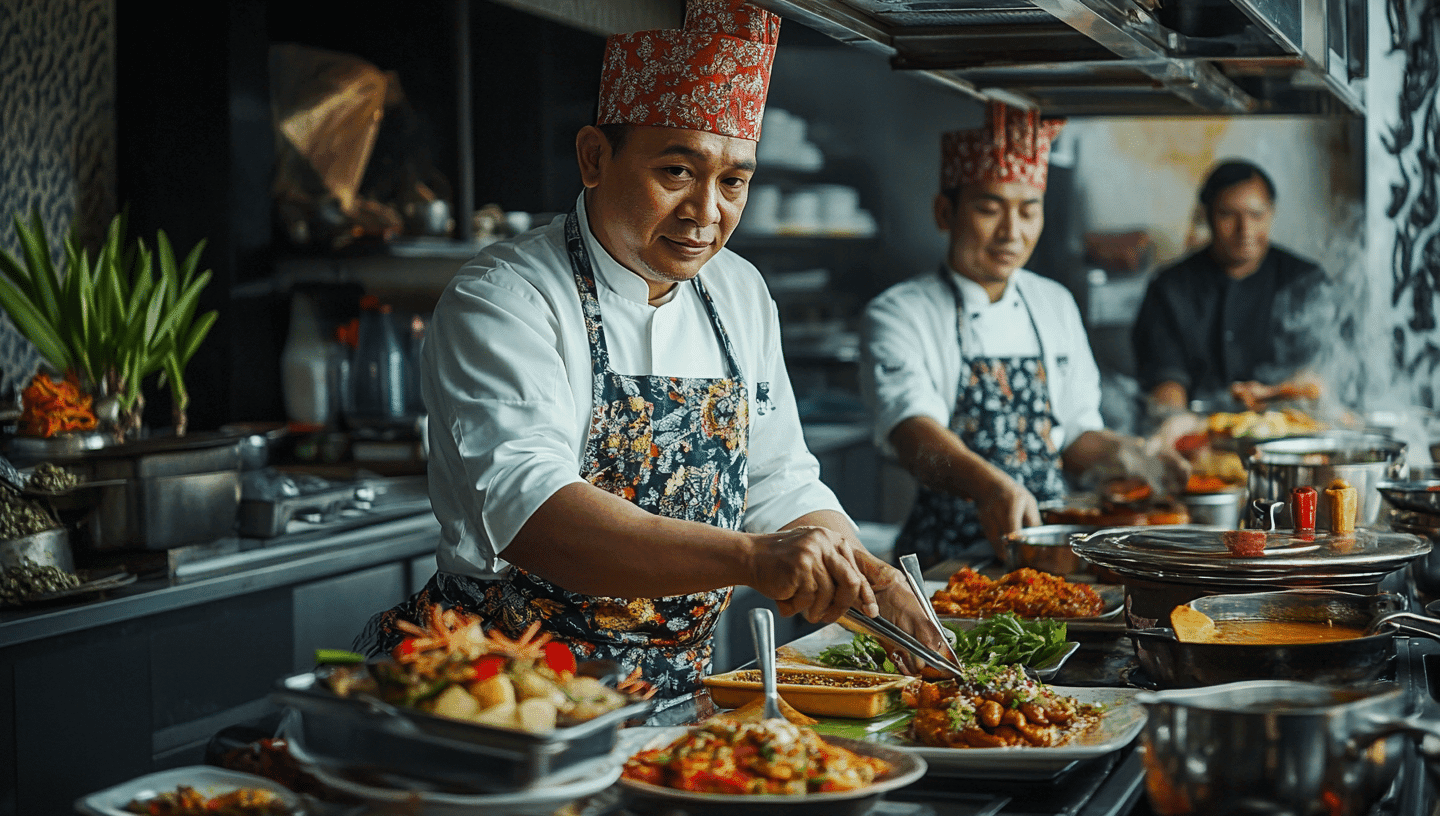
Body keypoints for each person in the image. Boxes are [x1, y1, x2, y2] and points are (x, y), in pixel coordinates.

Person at [360, 0, 945, 700]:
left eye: (733, 182)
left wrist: (870, 577)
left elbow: (778, 479)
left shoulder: (739, 291)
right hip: (507, 690)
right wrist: (752, 557)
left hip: (676, 690)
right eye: (676, 172)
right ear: (594, 158)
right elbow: (536, 515)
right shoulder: (506, 298)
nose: (706, 213)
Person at [860, 104, 1183, 567]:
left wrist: (1132, 453)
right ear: (945, 212)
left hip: (1049, 546)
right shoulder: (899, 313)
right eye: (989, 209)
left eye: (1029, 211)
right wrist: (990, 487)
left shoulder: (1054, 303)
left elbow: (1072, 436)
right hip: (948, 558)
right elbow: (915, 438)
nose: (1011, 232)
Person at [1132, 160, 1331, 416]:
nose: (1244, 230)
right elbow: (1165, 380)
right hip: (1198, 426)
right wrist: (1173, 419)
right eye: (1227, 215)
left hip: (1290, 424)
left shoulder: (1306, 281)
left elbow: (1322, 371)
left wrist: (1278, 393)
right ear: (1206, 215)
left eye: (1256, 215)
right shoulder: (1170, 287)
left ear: (1271, 213)